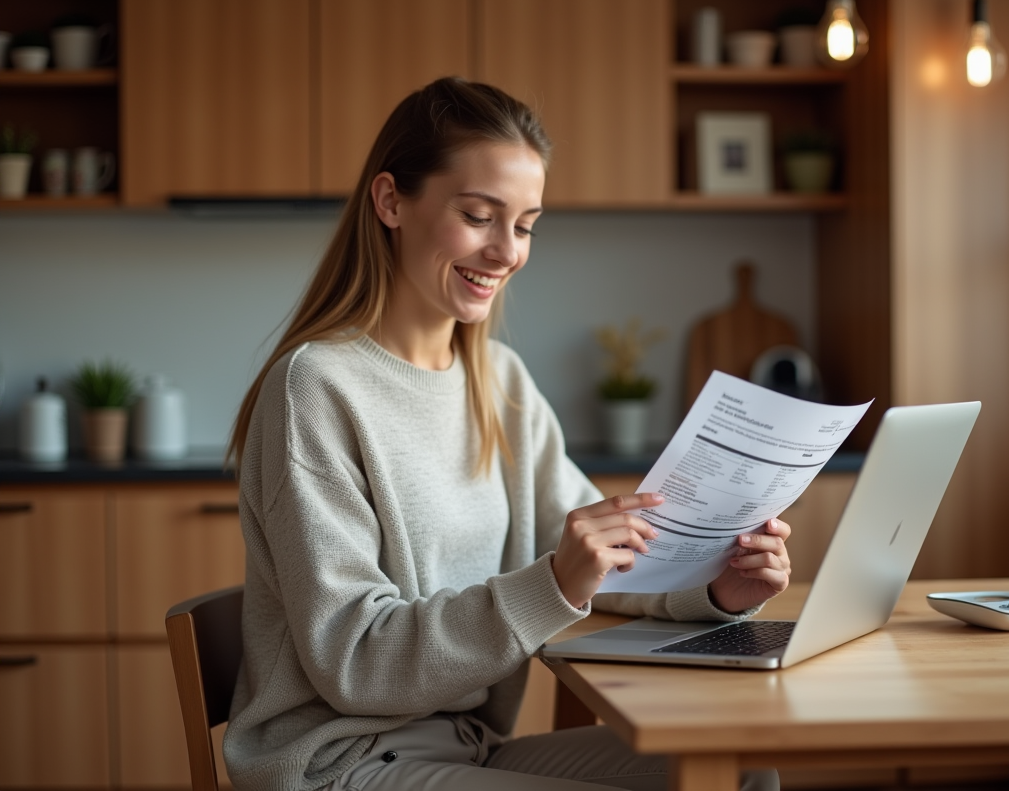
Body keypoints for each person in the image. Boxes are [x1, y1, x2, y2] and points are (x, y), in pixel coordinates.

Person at [223, 77, 790, 791]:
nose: (505, 252)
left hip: (466, 745)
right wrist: (553, 583)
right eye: (479, 216)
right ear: (391, 200)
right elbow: (357, 663)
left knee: (738, 770)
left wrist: (716, 586)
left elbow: (603, 557)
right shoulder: (316, 387)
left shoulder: (499, 379)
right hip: (340, 762)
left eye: (523, 226)